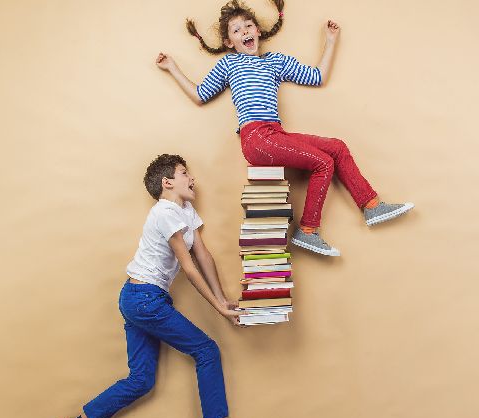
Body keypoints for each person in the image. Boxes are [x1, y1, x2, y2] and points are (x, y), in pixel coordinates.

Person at [156, 0, 414, 257]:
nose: (244, 31)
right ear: (229, 43)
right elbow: (200, 94)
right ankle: (308, 231)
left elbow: (317, 77)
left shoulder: (276, 61)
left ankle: (371, 206)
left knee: (337, 147)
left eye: (248, 25)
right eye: (236, 30)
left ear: (258, 31)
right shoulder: (228, 65)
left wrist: (331, 41)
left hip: (275, 134)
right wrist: (172, 68)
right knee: (324, 162)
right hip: (256, 138)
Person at [53, 154, 254, 418]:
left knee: (142, 380)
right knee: (207, 350)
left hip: (139, 298)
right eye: (185, 173)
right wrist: (219, 309)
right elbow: (187, 267)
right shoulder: (164, 212)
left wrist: (223, 299)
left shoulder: (185, 209)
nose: (192, 178)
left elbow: (203, 255)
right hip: (145, 298)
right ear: (167, 182)